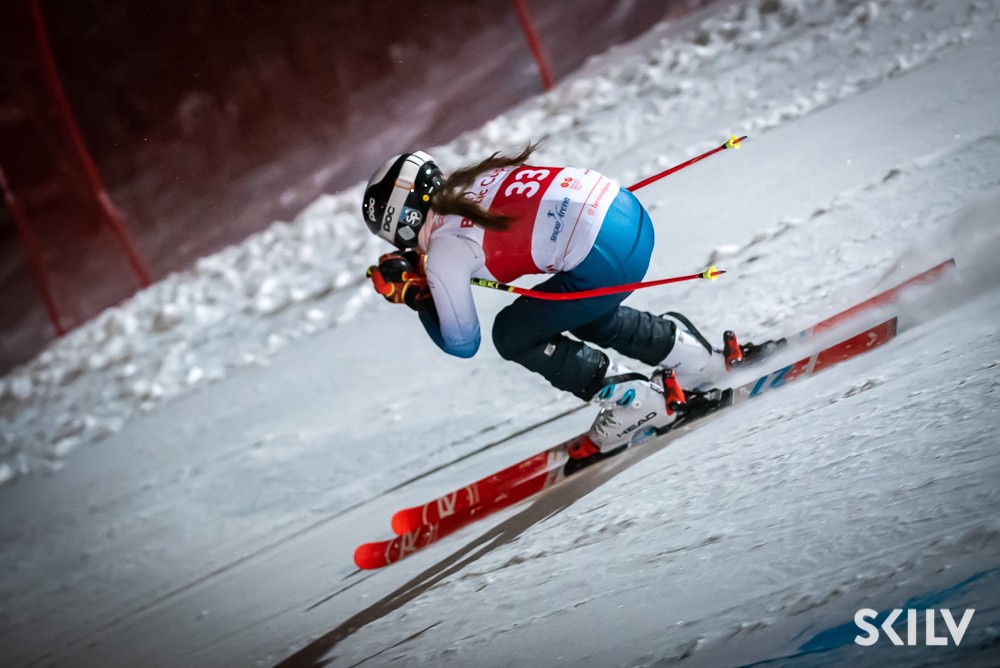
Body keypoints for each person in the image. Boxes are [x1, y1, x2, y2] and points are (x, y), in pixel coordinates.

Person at [362, 146, 750, 459]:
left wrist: (415, 294)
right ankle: (693, 358)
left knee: (510, 334)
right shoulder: (477, 178)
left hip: (607, 258)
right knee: (576, 311)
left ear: (404, 223)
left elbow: (463, 343)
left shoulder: (445, 248)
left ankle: (635, 401)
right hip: (629, 217)